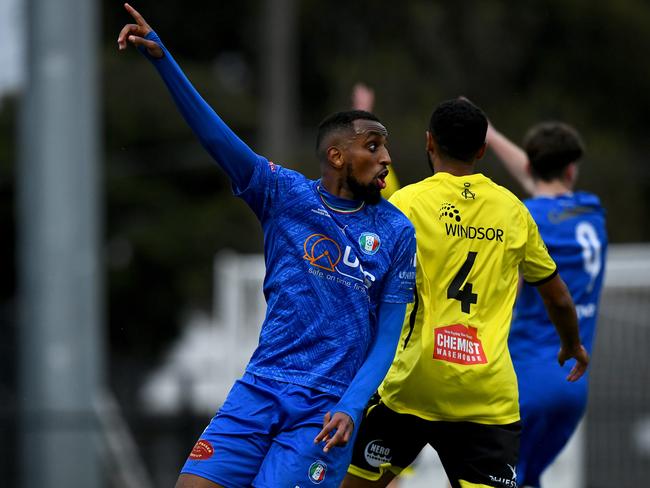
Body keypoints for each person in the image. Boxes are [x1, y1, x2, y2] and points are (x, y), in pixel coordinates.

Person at [117, 4, 417, 488]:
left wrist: (351, 404)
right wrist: (164, 61)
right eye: (373, 146)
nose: (386, 157)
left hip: (324, 410)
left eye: (386, 147)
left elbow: (388, 336)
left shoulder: (397, 231)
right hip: (258, 390)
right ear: (337, 155)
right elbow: (217, 138)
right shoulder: (284, 194)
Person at [341, 98, 590, 488]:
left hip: (413, 383)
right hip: (486, 397)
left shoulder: (407, 203)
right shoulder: (513, 211)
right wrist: (572, 344)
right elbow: (557, 296)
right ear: (482, 150)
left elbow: (361, 283)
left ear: (429, 143)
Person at [487, 121, 607, 487]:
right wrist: (492, 134)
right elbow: (539, 182)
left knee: (479, 480)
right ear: (571, 169)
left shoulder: (525, 220)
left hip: (526, 384)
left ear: (529, 167)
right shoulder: (591, 209)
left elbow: (505, 300)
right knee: (525, 479)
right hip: (572, 388)